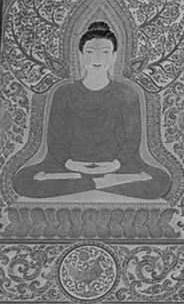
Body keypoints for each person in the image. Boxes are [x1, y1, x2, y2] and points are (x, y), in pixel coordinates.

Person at [12, 22, 171, 201]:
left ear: (114, 56)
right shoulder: (64, 93)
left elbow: (132, 140)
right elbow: (55, 139)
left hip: (116, 167)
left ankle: (85, 184)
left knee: (161, 181)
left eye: (105, 52)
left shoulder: (126, 94)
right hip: (70, 167)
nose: (97, 58)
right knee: (22, 180)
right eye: (90, 52)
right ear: (80, 55)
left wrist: (115, 164)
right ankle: (102, 184)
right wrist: (70, 163)